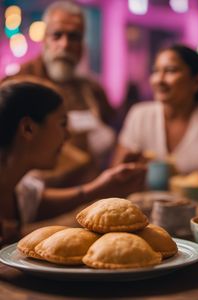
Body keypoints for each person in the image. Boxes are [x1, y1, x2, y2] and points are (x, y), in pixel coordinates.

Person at [0, 80, 146, 247]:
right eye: (63, 124)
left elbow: (38, 201)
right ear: (28, 129)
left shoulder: (19, 189)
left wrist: (104, 187)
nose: (68, 135)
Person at [3, 0, 116, 183]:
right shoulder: (18, 85)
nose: (65, 45)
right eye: (57, 35)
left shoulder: (93, 90)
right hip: (38, 201)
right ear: (44, 40)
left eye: (74, 37)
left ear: (82, 45)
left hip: (92, 197)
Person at [112, 44, 198, 174]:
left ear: (196, 82)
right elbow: (117, 173)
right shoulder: (140, 115)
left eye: (170, 71)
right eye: (156, 71)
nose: (159, 80)